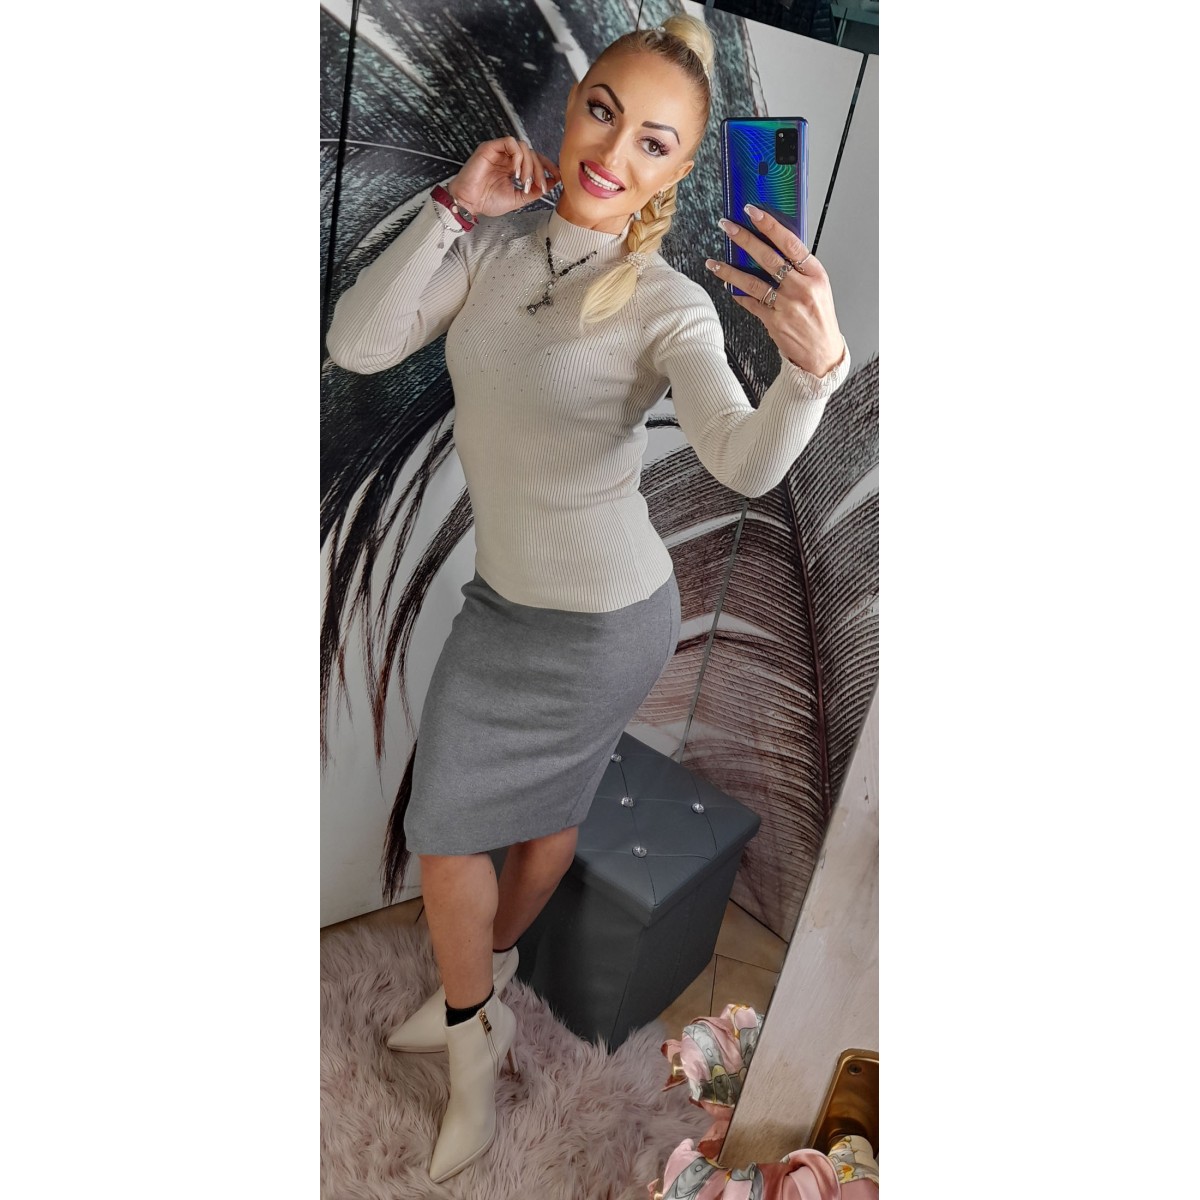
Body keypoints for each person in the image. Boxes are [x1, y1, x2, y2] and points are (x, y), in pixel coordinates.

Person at [325, 13, 849, 1185]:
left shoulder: (668, 304)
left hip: (609, 624)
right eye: (603, 111)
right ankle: (480, 1014)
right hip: (504, 607)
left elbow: (742, 462)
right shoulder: (498, 250)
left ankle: (473, 1017)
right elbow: (359, 343)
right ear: (573, 107)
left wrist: (813, 374)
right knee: (451, 830)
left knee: (538, 823)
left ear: (680, 169)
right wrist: (456, 206)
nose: (614, 151)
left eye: (655, 142)